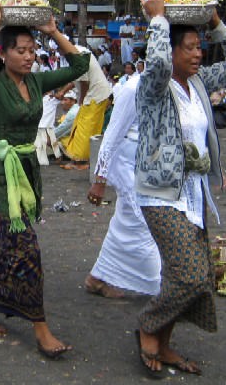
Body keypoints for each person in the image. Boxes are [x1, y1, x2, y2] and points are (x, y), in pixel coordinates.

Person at [0, 1, 89, 359]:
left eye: (33, 50)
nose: (29, 56)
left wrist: (52, 32)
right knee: (27, 249)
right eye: (21, 50)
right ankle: (41, 328)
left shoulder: (35, 82)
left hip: (28, 172)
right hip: (2, 177)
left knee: (6, 247)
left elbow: (81, 65)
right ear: (4, 54)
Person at [134, 0, 226, 377]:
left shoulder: (197, 83)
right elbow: (158, 63)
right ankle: (148, 327)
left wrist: (217, 23)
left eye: (200, 47)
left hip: (193, 194)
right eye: (191, 47)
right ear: (172, 50)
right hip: (160, 194)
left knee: (190, 276)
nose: (199, 54)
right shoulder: (153, 86)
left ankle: (163, 345)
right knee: (190, 274)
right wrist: (159, 20)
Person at [86, 71, 161, 298]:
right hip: (129, 164)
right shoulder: (133, 88)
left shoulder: (173, 85)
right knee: (143, 221)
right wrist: (100, 180)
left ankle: (98, 277)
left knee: (126, 221)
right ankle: (159, 285)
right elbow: (112, 134)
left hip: (154, 166)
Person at [62, 48, 113, 169]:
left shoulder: (77, 54)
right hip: (96, 95)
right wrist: (63, 91)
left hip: (95, 96)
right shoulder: (78, 51)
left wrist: (81, 100)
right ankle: (82, 159)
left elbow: (84, 82)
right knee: (84, 127)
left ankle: (81, 161)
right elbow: (76, 80)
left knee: (84, 129)